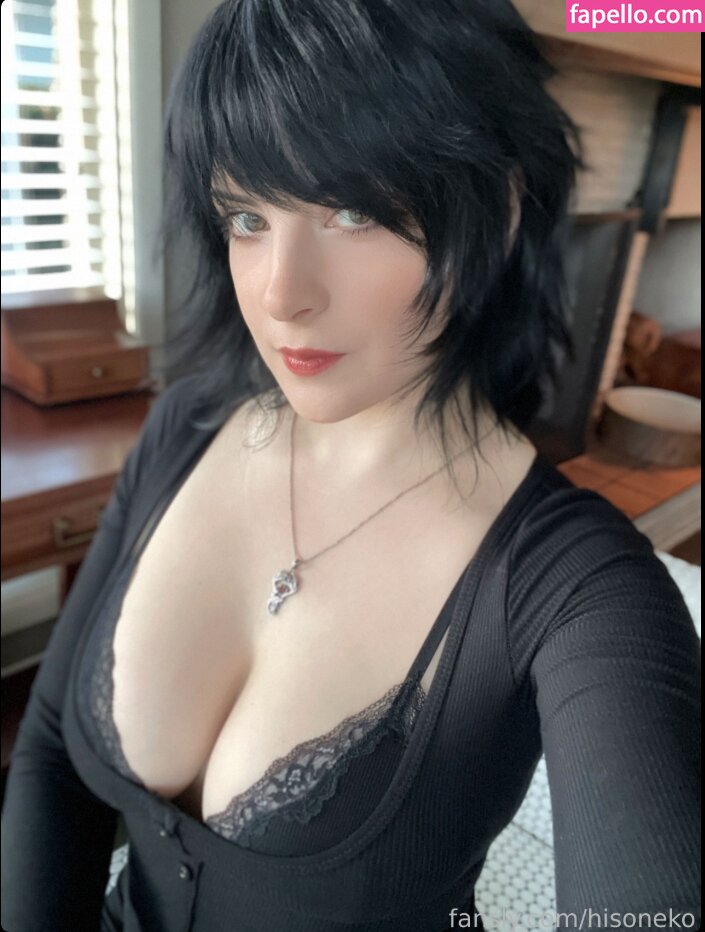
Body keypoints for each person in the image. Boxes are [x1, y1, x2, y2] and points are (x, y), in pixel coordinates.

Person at [1, 0, 700, 929]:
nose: (281, 294)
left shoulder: (577, 586)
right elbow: (52, 754)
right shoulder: (188, 425)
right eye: (246, 215)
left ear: (496, 211)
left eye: (351, 210)